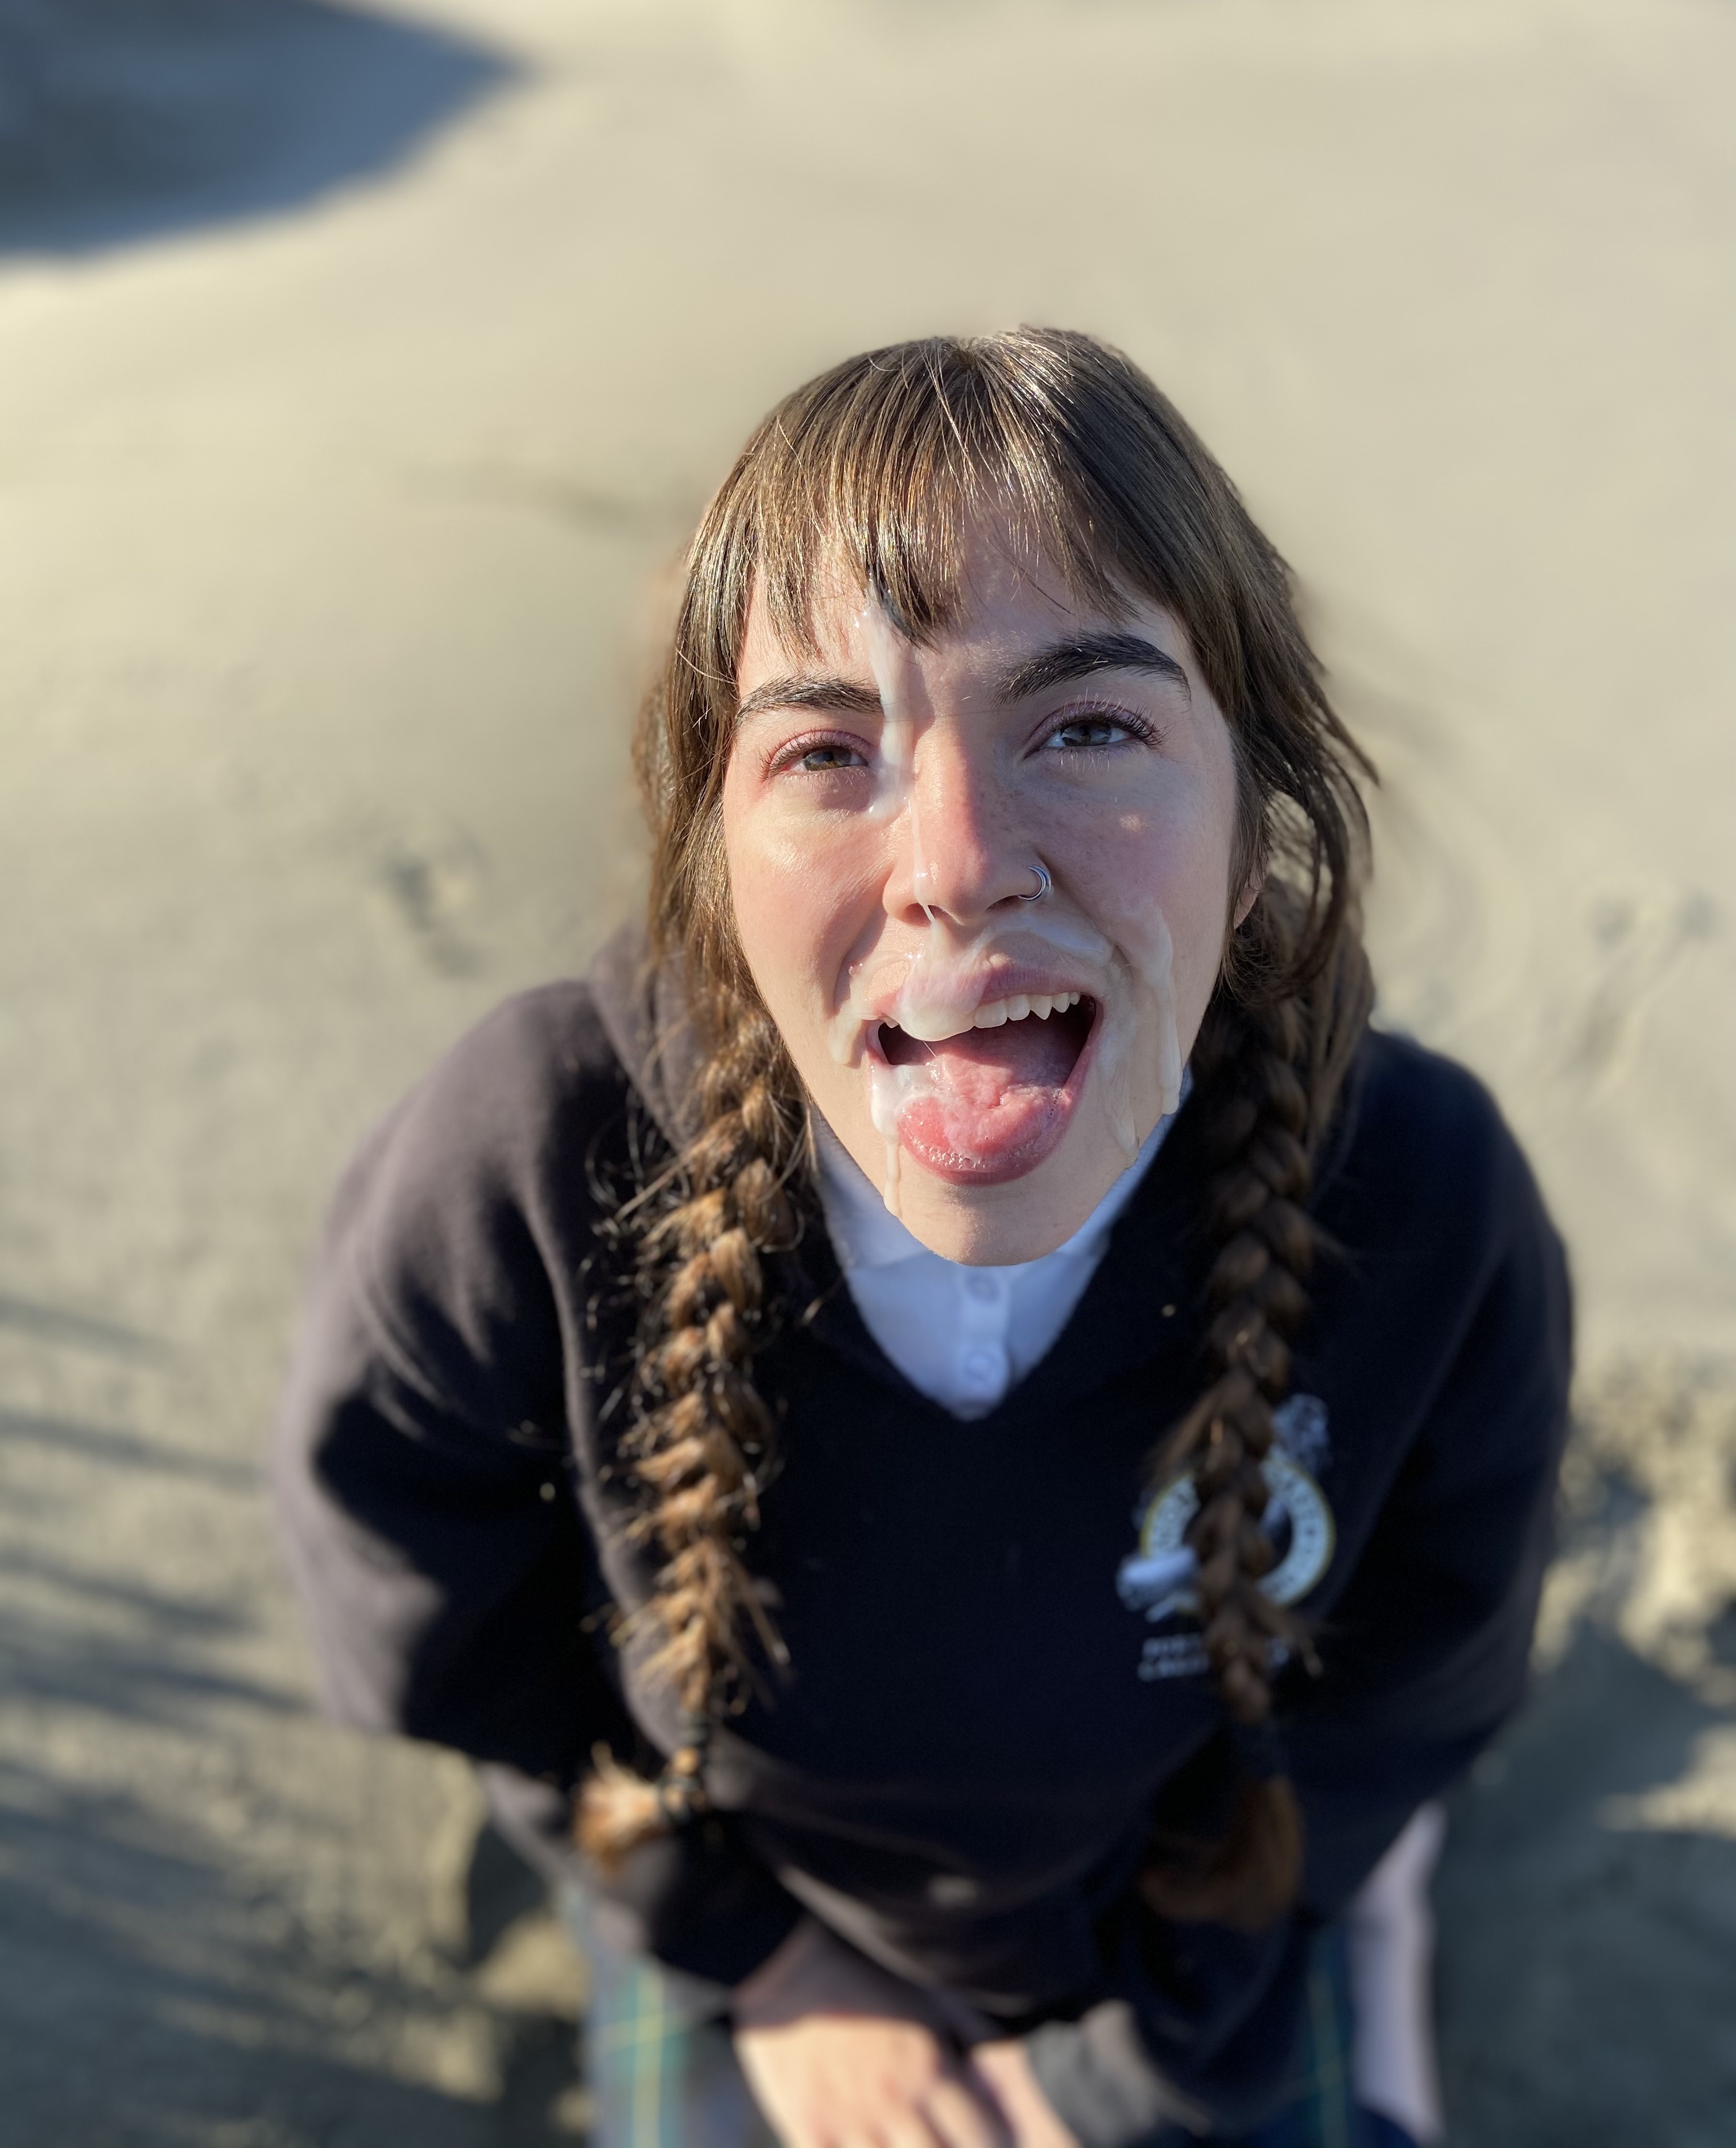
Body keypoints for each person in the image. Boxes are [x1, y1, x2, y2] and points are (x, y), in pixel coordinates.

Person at [273, 330, 1570, 2148]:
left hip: (1196, 1912)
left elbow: (1423, 1677)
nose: (957, 864)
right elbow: (418, 1589)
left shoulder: (1424, 1200)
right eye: (828, 749)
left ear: (1253, 812)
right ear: (711, 846)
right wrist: (755, 1955)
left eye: (1089, 726)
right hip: (764, 1904)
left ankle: (1384, 1935)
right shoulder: (534, 1165)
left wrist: (1116, 2065)